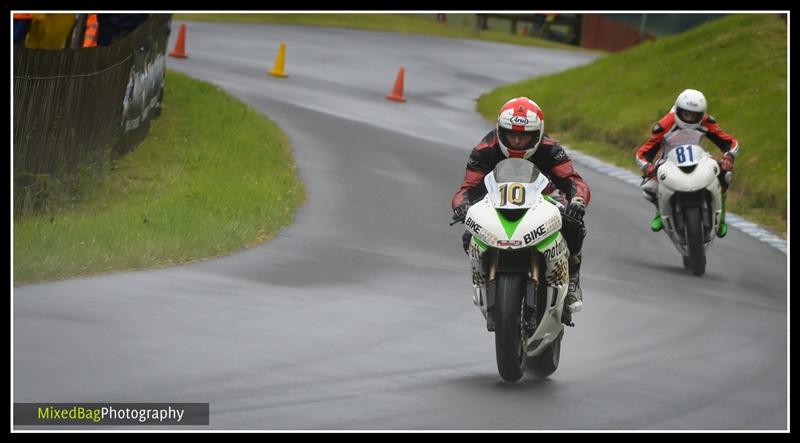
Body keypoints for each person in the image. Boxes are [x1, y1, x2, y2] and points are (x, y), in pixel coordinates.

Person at [451, 97, 591, 321]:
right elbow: (467, 188)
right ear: (500, 130)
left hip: (544, 200)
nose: (516, 141)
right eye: (511, 135)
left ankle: (572, 279)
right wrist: (463, 207)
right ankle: (484, 281)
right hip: (496, 201)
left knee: (574, 225)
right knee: (469, 236)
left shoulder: (551, 149)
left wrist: (577, 202)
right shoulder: (485, 149)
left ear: (537, 134)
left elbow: (574, 181)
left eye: (524, 136)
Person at [635, 89, 739, 237]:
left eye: (694, 115)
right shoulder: (665, 124)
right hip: (668, 161)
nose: (689, 118)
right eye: (686, 114)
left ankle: (721, 217)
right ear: (678, 110)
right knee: (649, 188)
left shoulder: (706, 122)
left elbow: (729, 142)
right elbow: (644, 152)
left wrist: (729, 156)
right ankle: (660, 212)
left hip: (699, 158)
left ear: (701, 114)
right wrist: (647, 166)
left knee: (725, 174)